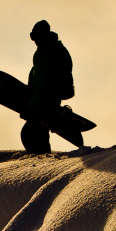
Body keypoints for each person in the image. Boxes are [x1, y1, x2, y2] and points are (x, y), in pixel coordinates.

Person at [20, 20, 74, 154]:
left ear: (41, 35)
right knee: (41, 134)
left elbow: (40, 85)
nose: (34, 41)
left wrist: (29, 107)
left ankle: (41, 166)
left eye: (34, 37)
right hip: (54, 101)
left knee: (28, 134)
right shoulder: (59, 49)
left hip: (43, 102)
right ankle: (44, 162)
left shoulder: (42, 53)